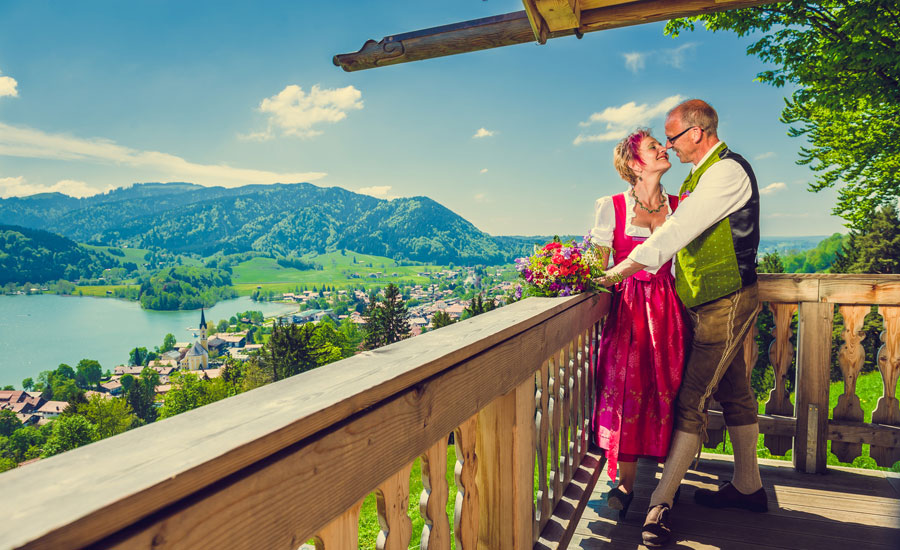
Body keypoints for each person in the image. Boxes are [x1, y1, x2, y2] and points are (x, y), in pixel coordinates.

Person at [599, 99, 764, 548]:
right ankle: (749, 487)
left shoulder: (727, 172)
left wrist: (616, 272)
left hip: (725, 300)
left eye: (670, 137)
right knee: (734, 391)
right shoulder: (701, 174)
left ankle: (658, 505)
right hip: (708, 302)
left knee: (691, 402)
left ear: (696, 133)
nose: (668, 145)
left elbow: (676, 232)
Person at [589, 128, 690, 520]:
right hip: (628, 309)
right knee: (628, 389)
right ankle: (626, 485)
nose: (663, 149)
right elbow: (598, 268)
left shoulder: (681, 204)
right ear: (635, 164)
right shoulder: (610, 205)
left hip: (669, 308)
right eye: (653, 148)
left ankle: (667, 484)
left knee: (668, 388)